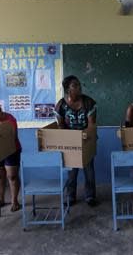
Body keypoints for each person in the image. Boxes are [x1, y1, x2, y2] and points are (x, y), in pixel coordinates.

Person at [54, 75, 98, 207]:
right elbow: (60, 126)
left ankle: (90, 196)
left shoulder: (89, 103)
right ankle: (70, 196)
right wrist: (69, 139)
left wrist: (84, 136)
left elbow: (91, 125)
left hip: (87, 139)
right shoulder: (61, 105)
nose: (79, 87)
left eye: (79, 84)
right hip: (70, 141)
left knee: (89, 169)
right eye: (75, 85)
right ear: (68, 89)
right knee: (72, 172)